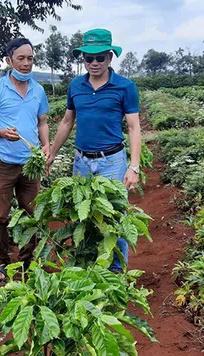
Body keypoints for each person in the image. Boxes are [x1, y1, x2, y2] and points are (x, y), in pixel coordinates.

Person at [47, 29, 142, 273]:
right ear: (83, 60)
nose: (94, 63)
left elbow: (133, 127)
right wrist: (53, 152)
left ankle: (116, 272)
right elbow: (67, 122)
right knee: (84, 216)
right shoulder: (75, 86)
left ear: (110, 58)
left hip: (112, 162)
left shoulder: (125, 87)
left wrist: (134, 166)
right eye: (88, 59)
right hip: (81, 162)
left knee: (114, 217)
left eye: (100, 57)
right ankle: (89, 266)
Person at [0, 38, 50, 275]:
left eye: (30, 58)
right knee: (0, 214)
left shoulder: (38, 90)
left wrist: (47, 145)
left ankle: (27, 261)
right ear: (9, 60)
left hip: (30, 164)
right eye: (21, 58)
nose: (26, 63)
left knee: (31, 212)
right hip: (3, 163)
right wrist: (2, 133)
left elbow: (42, 122)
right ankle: (0, 261)